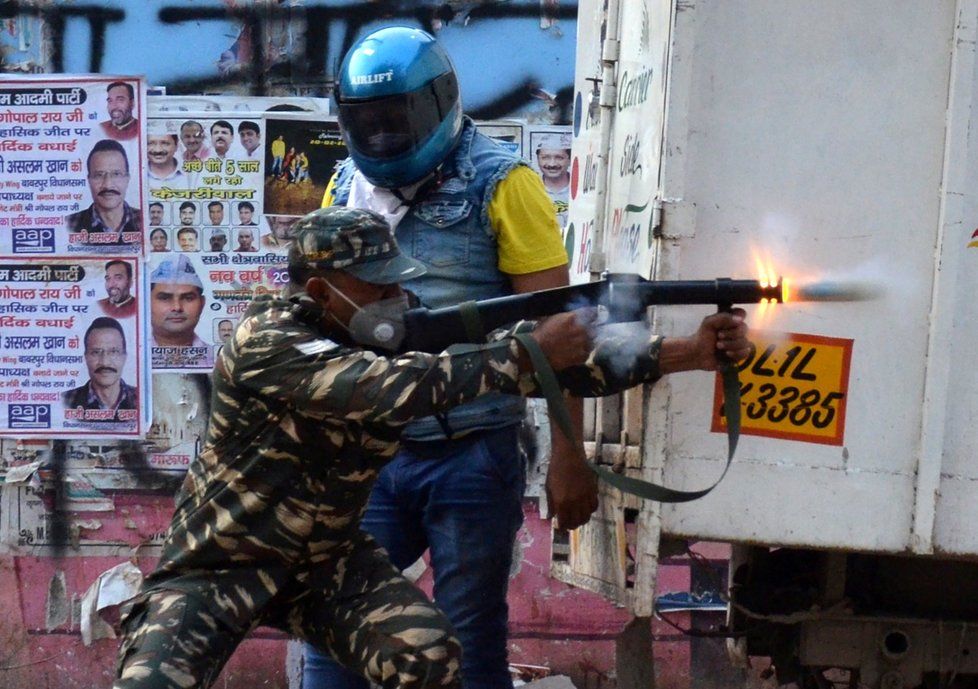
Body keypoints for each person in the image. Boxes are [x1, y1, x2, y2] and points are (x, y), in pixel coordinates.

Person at [112, 206, 752, 689]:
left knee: (429, 653)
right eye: (377, 286)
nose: (396, 297)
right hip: (224, 562)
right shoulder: (266, 342)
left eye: (395, 283)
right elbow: (389, 389)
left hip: (325, 565)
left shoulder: (383, 331)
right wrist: (522, 351)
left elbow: (557, 367)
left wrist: (689, 353)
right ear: (319, 292)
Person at [305, 27, 590, 689]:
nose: (381, 137)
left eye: (395, 119)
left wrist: (571, 455)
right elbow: (323, 316)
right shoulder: (345, 186)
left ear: (438, 104)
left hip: (472, 453)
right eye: (367, 122)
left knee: (467, 645)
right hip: (373, 452)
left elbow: (562, 333)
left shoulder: (503, 184)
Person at [65, 139, 142, 243]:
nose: (107, 184)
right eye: (99, 175)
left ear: (127, 179)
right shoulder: (68, 225)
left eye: (116, 174)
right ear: (89, 180)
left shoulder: (147, 221)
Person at [62, 317, 138, 417]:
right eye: (96, 352)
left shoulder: (141, 399)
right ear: (86, 357)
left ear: (124, 357)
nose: (105, 362)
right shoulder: (64, 401)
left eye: (113, 352)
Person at [149, 255, 207, 348]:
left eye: (188, 298)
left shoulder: (219, 358)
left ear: (202, 303)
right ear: (146, 302)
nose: (177, 307)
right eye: (164, 298)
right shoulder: (132, 356)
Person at [533, 133, 571, 227]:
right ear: (538, 159)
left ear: (570, 160)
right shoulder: (530, 189)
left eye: (559, 158)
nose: (552, 164)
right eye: (545, 157)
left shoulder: (581, 190)